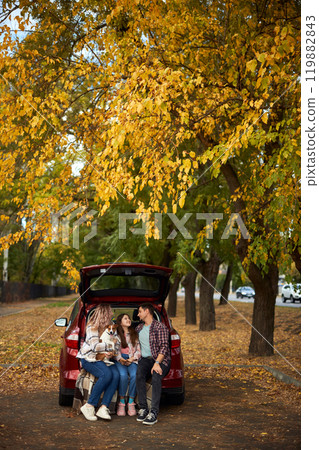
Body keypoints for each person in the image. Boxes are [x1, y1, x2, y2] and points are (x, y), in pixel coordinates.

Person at [76, 304, 120, 421]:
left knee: (116, 375)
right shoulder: (92, 327)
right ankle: (89, 406)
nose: (111, 315)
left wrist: (111, 351)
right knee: (106, 374)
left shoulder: (109, 328)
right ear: (104, 314)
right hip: (89, 358)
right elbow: (95, 347)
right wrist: (110, 346)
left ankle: (103, 408)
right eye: (110, 313)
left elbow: (117, 344)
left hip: (104, 359)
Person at [135, 303, 171, 425]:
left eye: (140, 311)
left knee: (156, 376)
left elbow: (164, 347)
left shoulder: (160, 327)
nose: (138, 314)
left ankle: (154, 413)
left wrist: (157, 363)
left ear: (147, 311)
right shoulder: (139, 328)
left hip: (161, 359)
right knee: (139, 374)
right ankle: (143, 408)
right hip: (145, 360)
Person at [115, 313, 141, 416]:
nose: (128, 320)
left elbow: (139, 350)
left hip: (132, 358)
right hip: (120, 359)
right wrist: (119, 358)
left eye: (129, 318)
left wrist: (132, 358)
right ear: (120, 322)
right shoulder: (116, 334)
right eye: (125, 318)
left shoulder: (134, 333)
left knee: (135, 375)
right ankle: (121, 402)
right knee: (123, 375)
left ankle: (131, 402)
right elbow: (114, 349)